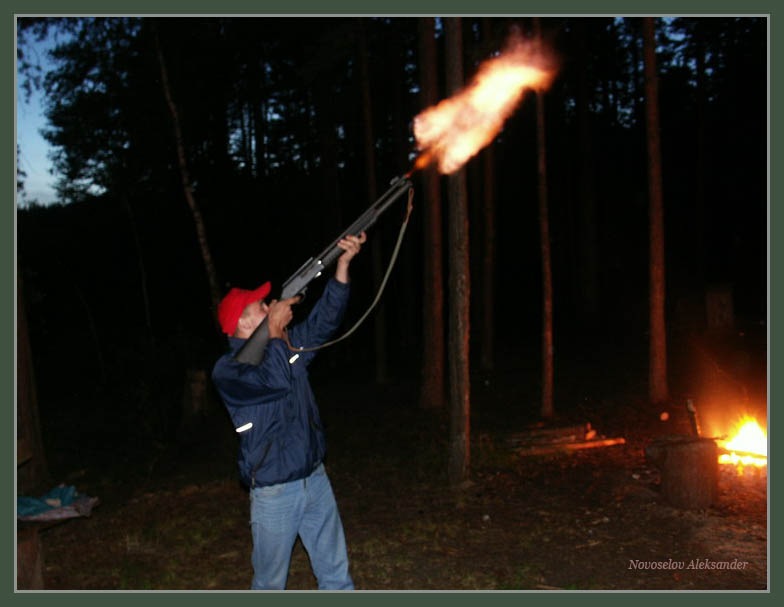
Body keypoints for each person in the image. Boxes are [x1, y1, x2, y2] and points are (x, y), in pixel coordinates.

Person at [211, 232, 367, 590]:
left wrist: (341, 267)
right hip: (274, 493)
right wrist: (277, 330)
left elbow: (324, 323)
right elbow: (275, 381)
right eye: (260, 308)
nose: (269, 307)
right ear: (244, 325)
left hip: (315, 478)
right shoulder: (228, 370)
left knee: (336, 577)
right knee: (269, 586)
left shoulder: (281, 342)